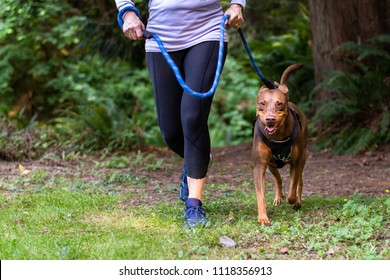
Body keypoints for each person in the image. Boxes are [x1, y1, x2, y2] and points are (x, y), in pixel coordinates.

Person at [115, 0, 245, 227]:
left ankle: (194, 206)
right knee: (171, 131)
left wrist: (237, 5)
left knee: (193, 116)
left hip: (207, 32)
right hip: (160, 36)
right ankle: (198, 159)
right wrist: (127, 12)